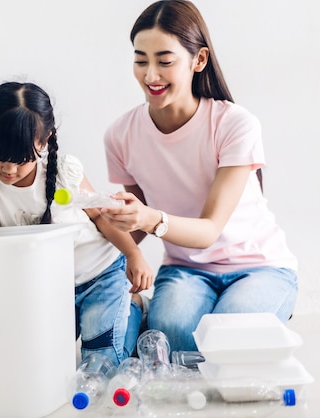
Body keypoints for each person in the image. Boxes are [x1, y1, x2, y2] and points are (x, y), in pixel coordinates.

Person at [100, 0, 298, 353]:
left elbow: (209, 230)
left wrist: (148, 217)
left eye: (164, 60)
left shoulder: (235, 124)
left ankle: (269, 319)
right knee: (175, 337)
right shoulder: (120, 134)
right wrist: (114, 224)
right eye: (140, 60)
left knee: (228, 340)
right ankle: (148, 310)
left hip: (259, 266)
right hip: (186, 269)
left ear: (199, 60)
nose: (150, 75)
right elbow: (140, 222)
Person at [0, 81, 154, 365]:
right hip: (46, 288)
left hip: (100, 274)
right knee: (43, 365)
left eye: (22, 159)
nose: (9, 169)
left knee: (100, 366)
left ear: (45, 139)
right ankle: (123, 312)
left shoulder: (64, 171)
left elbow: (100, 217)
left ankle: (134, 308)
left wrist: (134, 254)